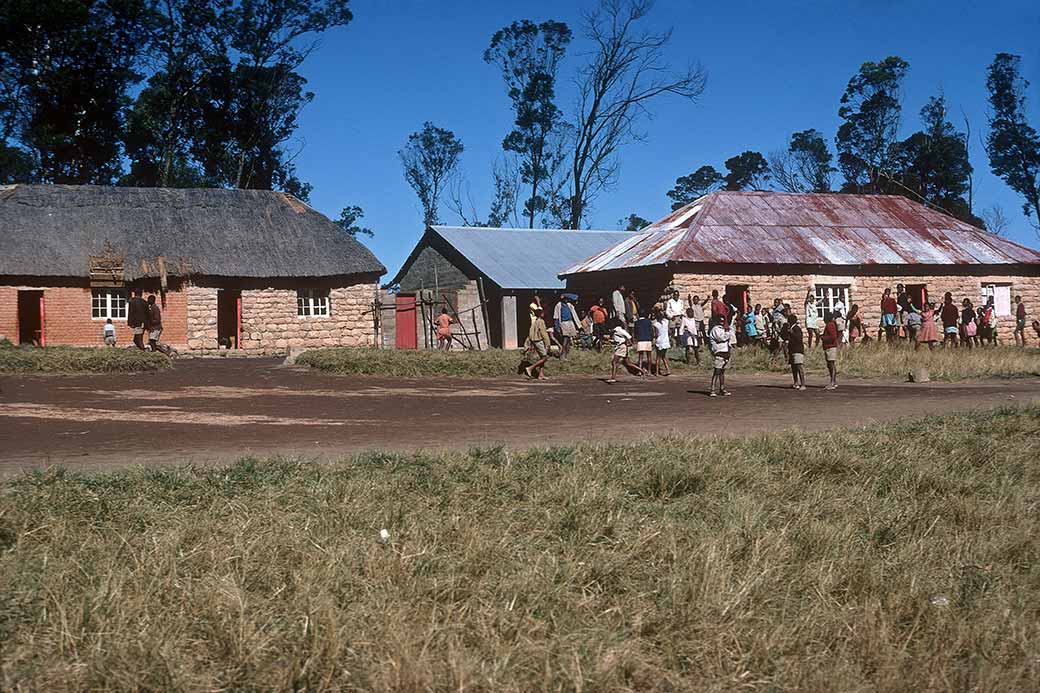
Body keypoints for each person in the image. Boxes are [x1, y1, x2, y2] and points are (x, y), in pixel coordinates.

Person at [607, 317, 645, 383]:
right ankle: (641, 370)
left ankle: (613, 378)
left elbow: (628, 336)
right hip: (621, 346)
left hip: (621, 347)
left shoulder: (618, 330)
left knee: (614, 362)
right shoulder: (616, 330)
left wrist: (630, 342)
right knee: (628, 363)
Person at [708, 315, 731, 397]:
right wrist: (728, 333)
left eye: (723, 321)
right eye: (720, 321)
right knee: (716, 371)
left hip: (725, 352)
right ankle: (712, 389)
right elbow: (721, 338)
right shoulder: (715, 329)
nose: (722, 322)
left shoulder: (724, 329)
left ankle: (722, 388)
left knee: (722, 372)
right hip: (719, 352)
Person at [525, 307, 550, 379]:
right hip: (539, 341)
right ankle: (530, 368)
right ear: (540, 314)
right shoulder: (541, 321)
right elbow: (544, 333)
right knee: (545, 357)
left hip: (535, 341)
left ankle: (541, 375)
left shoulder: (535, 322)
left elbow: (530, 333)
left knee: (542, 357)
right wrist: (547, 343)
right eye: (542, 312)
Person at [554, 294, 581, 360]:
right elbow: (556, 317)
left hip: (570, 323)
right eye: (565, 299)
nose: (566, 300)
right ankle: (562, 356)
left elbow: (575, 297)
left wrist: (579, 326)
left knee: (569, 340)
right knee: (565, 340)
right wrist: (557, 327)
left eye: (567, 299)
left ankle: (566, 356)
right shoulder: (558, 305)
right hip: (564, 323)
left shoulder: (569, 305)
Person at [821, 313, 840, 390]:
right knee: (830, 364)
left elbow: (833, 336)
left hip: (830, 346)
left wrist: (823, 338)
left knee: (831, 364)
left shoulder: (830, 325)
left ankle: (832, 382)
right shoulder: (831, 325)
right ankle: (833, 382)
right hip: (829, 346)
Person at [787, 313, 806, 391]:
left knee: (799, 366)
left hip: (797, 350)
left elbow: (799, 338)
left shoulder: (796, 328)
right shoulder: (791, 328)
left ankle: (803, 384)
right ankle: (796, 382)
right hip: (792, 350)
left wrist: (792, 333)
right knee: (794, 367)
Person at [652, 307, 672, 376]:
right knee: (663, 356)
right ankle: (668, 369)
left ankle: (657, 372)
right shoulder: (666, 322)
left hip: (659, 341)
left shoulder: (655, 324)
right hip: (666, 341)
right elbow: (669, 331)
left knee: (658, 357)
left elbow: (656, 334)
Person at [633, 311, 654, 375]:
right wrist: (652, 339)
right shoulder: (648, 322)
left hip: (640, 340)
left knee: (640, 356)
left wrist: (636, 339)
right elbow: (651, 331)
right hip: (648, 339)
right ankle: (649, 371)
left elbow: (635, 332)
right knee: (649, 356)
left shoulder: (637, 322)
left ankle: (639, 371)